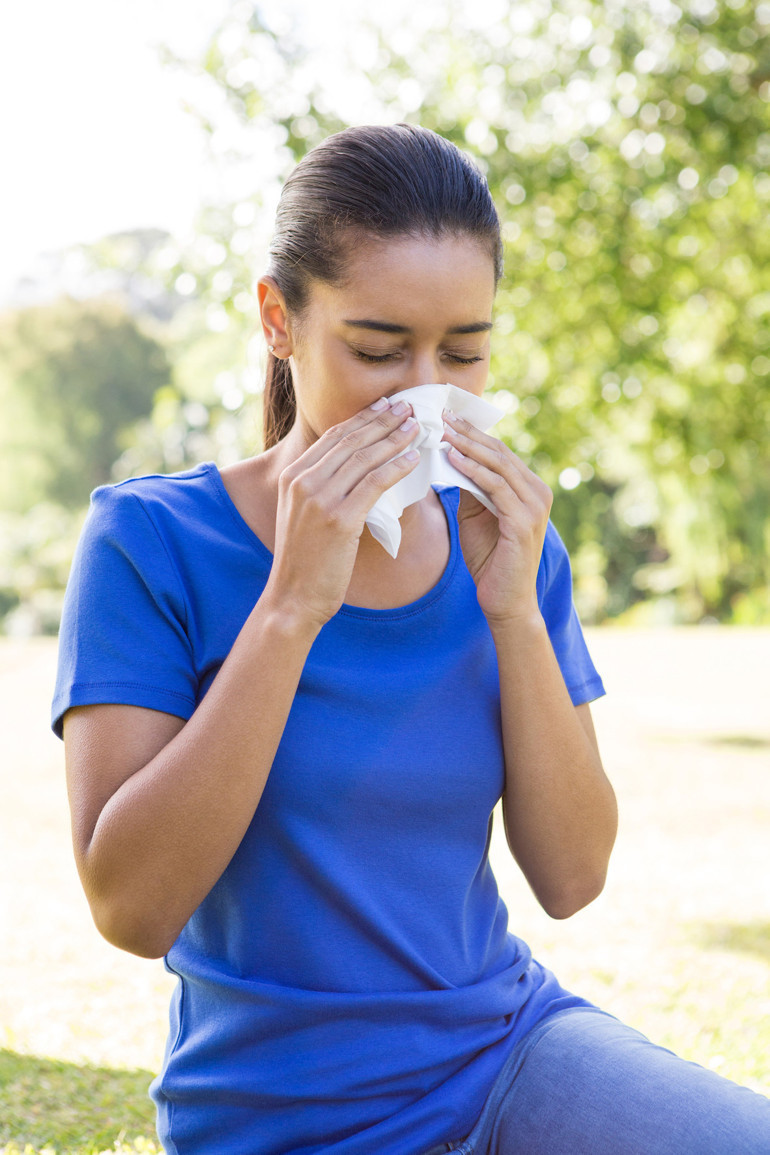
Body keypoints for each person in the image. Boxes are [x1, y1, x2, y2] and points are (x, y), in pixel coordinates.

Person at [53, 124, 769, 1154]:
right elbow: (131, 908)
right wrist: (290, 608)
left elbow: (570, 879)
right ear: (278, 321)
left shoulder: (512, 551)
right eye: (379, 350)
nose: (423, 392)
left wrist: (514, 610)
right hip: (278, 1111)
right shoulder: (153, 541)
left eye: (464, 352)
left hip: (508, 1053)